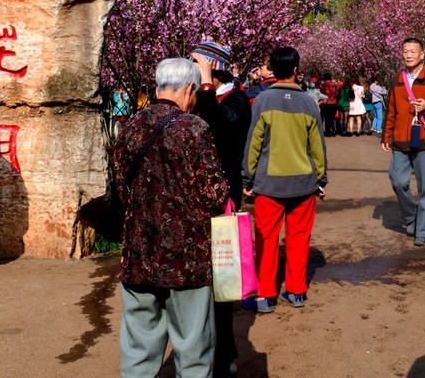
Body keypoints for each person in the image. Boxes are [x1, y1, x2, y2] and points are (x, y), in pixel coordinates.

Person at [113, 57, 228, 378]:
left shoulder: (130, 127)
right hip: (186, 260)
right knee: (192, 349)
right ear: (191, 89)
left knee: (138, 350)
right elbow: (214, 194)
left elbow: (123, 190)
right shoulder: (194, 128)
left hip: (138, 254)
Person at [241, 46, 328, 312]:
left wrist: (248, 179)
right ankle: (297, 291)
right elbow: (318, 147)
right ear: (295, 70)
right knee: (299, 237)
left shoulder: (263, 101)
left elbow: (253, 143)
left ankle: (266, 295)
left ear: (273, 70)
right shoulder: (309, 103)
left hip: (269, 184)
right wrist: (321, 179)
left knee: (266, 239)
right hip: (304, 183)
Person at [191, 42, 251, 378]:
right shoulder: (204, 98)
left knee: (220, 283)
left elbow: (220, 129)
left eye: (200, 64)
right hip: (196, 203)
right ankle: (200, 348)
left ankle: (224, 351)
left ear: (215, 68)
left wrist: (205, 83)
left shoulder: (237, 100)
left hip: (222, 201)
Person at [382, 37, 425, 247]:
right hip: (400, 140)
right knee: (398, 181)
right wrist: (386, 136)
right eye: (405, 51)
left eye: (413, 52)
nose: (409, 55)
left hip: (423, 141)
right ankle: (411, 218)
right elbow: (391, 110)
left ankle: (422, 231)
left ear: (422, 55)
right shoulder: (396, 80)